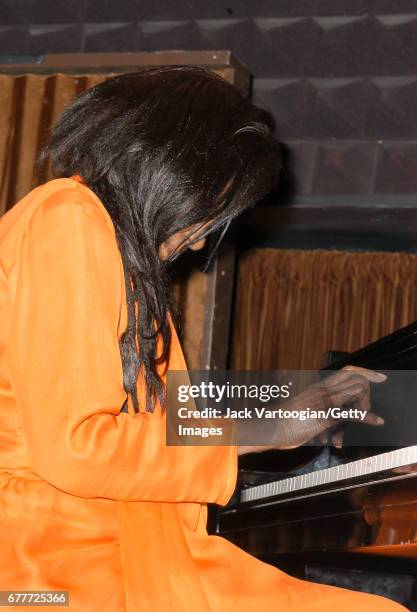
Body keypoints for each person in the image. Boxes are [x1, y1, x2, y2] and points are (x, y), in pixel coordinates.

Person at [0, 67, 406, 611]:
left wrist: (304, 397)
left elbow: (164, 415)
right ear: (182, 169)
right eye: (214, 211)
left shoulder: (111, 248)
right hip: (49, 570)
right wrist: (267, 426)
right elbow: (77, 448)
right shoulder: (68, 219)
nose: (200, 243)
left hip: (131, 545)